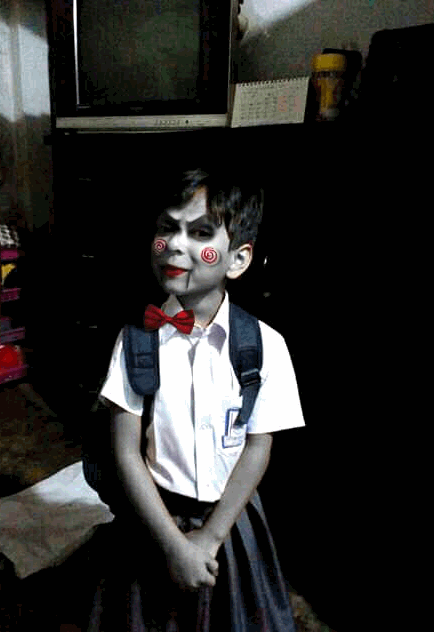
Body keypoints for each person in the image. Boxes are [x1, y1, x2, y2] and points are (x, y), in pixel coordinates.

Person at [84, 167, 306, 631]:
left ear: (238, 260)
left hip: (230, 525)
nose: (175, 245)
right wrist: (173, 545)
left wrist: (210, 536)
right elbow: (125, 452)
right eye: (167, 228)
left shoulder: (266, 346)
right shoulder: (135, 341)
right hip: (153, 521)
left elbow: (258, 446)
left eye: (201, 233)